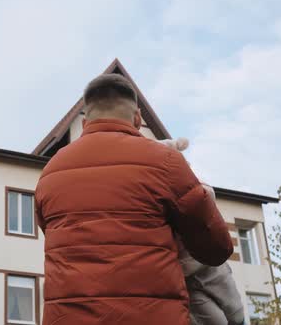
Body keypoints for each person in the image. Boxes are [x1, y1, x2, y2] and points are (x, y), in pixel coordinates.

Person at [35, 73, 233, 325]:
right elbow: (217, 249)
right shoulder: (166, 162)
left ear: (85, 123)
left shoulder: (51, 172)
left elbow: (52, 233)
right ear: (138, 118)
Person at [159, 138, 245, 325]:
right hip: (187, 277)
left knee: (235, 314)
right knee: (217, 320)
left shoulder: (197, 189)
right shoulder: (156, 196)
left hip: (210, 268)